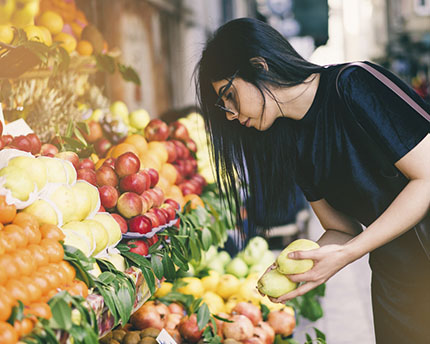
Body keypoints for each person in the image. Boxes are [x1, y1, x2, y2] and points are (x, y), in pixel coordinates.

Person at [194, 18, 430, 343]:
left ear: (259, 66)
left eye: (229, 95)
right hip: (397, 280)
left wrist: (351, 252)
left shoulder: (354, 84)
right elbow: (341, 230)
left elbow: (426, 179)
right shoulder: (294, 145)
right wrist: (297, 269)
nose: (230, 114)